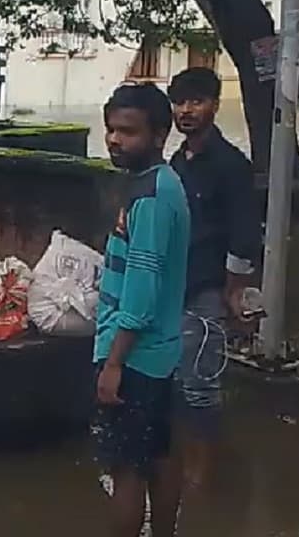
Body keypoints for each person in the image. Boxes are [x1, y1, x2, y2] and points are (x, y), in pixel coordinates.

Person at [94, 82, 191, 537]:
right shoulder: (158, 183)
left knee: (127, 470)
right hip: (158, 352)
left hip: (135, 355)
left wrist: (114, 361)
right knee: (159, 454)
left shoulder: (151, 197)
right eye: (111, 129)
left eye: (128, 132)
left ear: (158, 136)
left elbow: (143, 288)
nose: (115, 140)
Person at [167, 67, 260, 490]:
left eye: (196, 101)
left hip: (208, 286)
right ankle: (188, 458)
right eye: (180, 102)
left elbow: (244, 235)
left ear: (215, 106)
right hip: (173, 284)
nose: (186, 111)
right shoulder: (175, 162)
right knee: (175, 377)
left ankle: (204, 472)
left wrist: (233, 291)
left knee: (201, 382)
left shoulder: (231, 166)